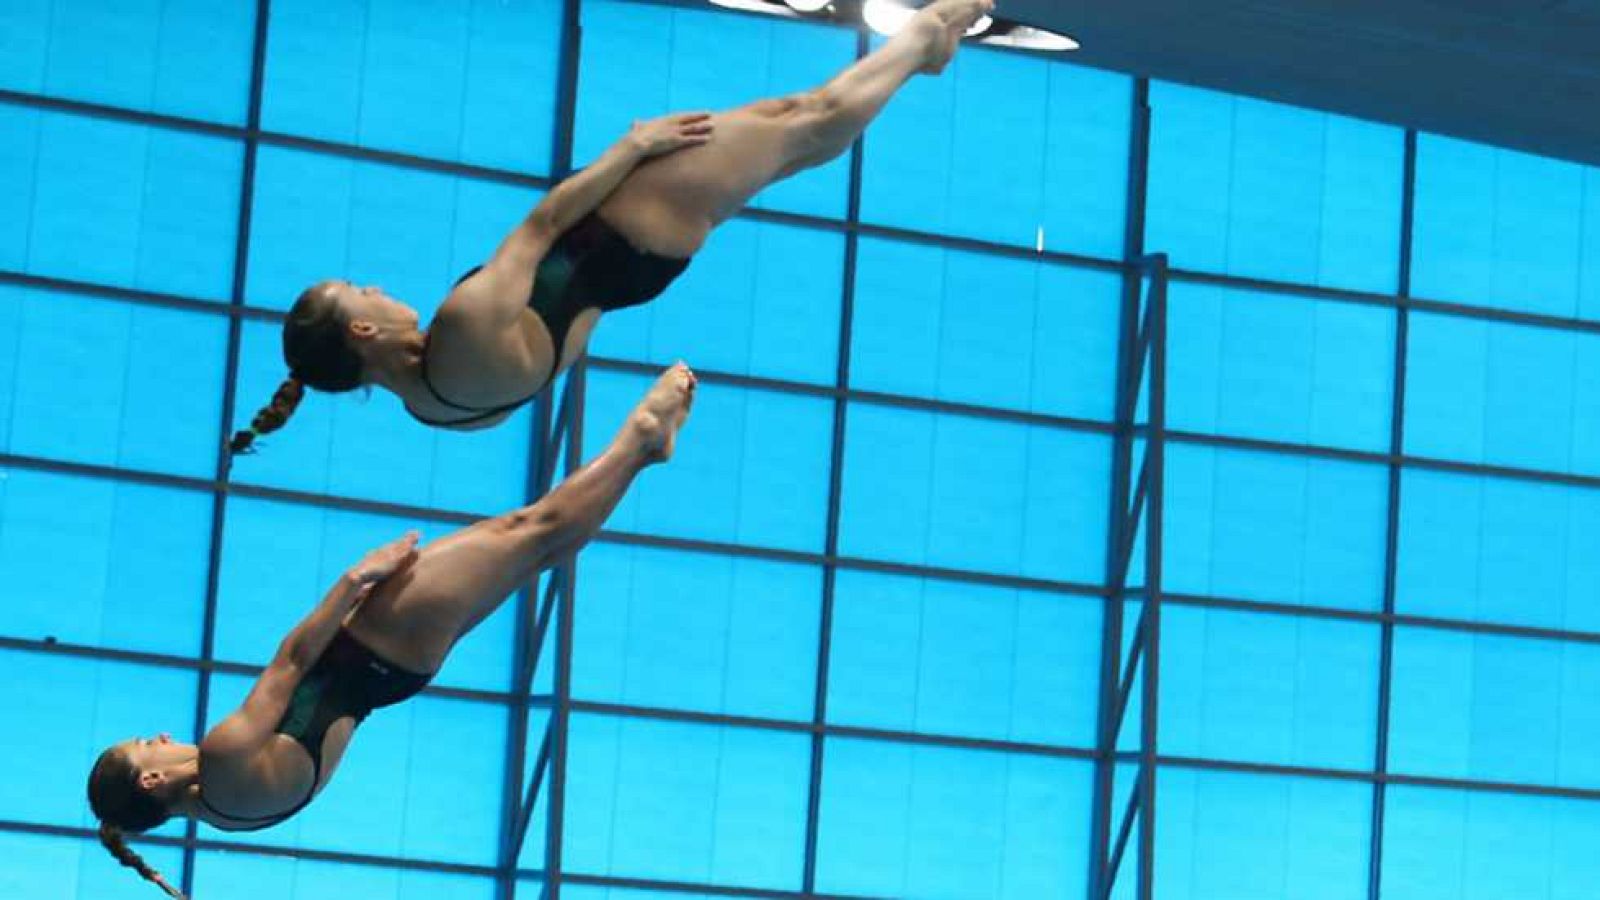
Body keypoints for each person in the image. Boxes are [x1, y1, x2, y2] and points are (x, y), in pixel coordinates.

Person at [228, 0, 993, 449]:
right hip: (619, 227)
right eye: (360, 291)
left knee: (785, 136)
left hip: (636, 268)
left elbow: (562, 343)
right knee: (806, 120)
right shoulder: (459, 323)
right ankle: (928, 33)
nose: (377, 287)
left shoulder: (438, 409)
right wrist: (633, 147)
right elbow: (543, 221)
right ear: (361, 333)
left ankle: (915, 55)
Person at [90, 364, 696, 898]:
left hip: (391, 672)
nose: (164, 733)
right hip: (376, 643)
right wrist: (357, 578)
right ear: (152, 779)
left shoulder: (229, 815)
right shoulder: (222, 759)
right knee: (527, 530)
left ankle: (642, 451)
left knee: (535, 548)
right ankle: (641, 441)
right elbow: (293, 660)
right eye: (149, 742)